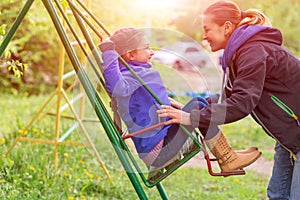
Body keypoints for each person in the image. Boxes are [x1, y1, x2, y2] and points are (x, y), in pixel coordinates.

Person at [157, 1, 300, 199]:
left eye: (207, 29)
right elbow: (230, 98)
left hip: (296, 133)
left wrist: (192, 118)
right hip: (290, 138)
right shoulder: (238, 54)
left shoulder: (253, 51)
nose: (204, 36)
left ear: (226, 27)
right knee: (277, 195)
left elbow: (241, 103)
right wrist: (191, 113)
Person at [98, 27, 261, 179]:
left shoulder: (134, 73)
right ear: (130, 55)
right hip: (159, 150)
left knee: (198, 102)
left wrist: (168, 103)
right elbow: (117, 88)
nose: (152, 52)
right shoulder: (130, 76)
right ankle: (228, 158)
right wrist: (109, 53)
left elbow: (140, 102)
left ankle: (228, 156)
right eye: (146, 47)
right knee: (198, 105)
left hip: (161, 141)